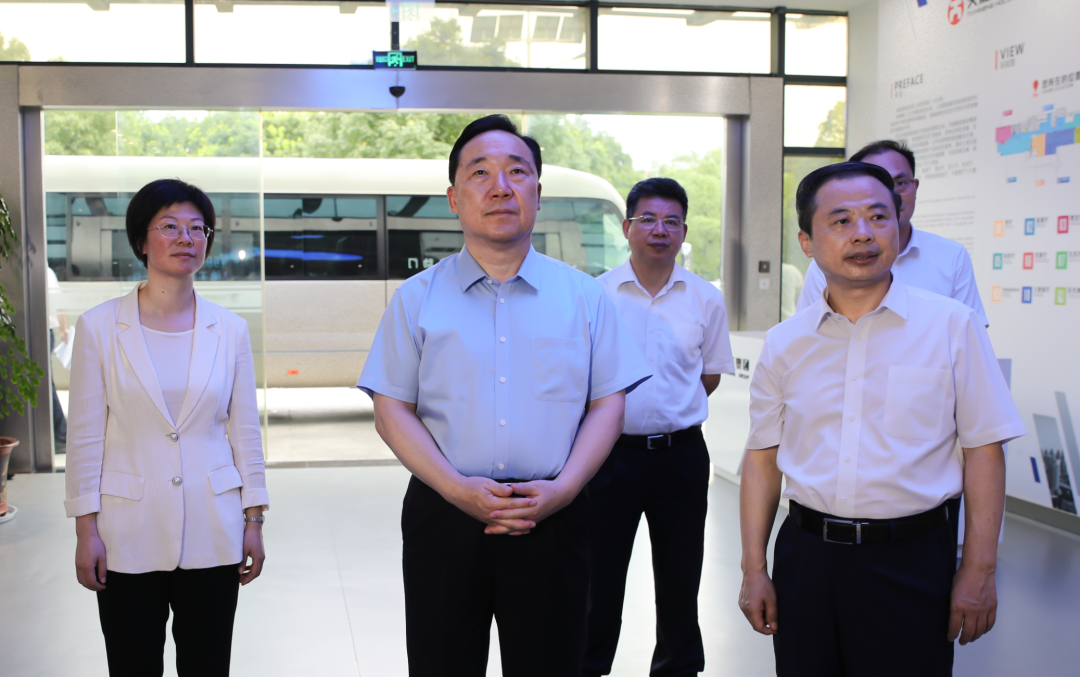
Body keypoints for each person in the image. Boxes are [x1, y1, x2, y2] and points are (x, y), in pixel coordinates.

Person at [358, 114, 651, 677]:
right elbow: (391, 408)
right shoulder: (416, 299)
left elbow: (608, 404)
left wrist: (564, 490)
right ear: (454, 198)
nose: (500, 187)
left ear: (538, 193)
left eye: (517, 172)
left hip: (554, 515)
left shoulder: (583, 297)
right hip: (444, 514)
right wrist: (456, 488)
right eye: (480, 173)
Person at [738, 162, 1025, 676]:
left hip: (911, 562)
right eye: (841, 221)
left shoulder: (952, 327)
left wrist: (979, 569)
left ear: (898, 225)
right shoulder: (785, 343)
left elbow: (984, 450)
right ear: (807, 242)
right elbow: (762, 458)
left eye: (877, 217)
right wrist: (754, 568)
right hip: (808, 560)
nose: (863, 233)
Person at [64, 179, 269, 677]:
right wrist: (86, 530)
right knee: (132, 665)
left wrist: (254, 520)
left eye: (198, 229)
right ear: (141, 240)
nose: (186, 238)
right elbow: (85, 438)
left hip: (213, 529)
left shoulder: (231, 329)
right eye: (170, 227)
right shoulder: (99, 327)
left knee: (208, 665)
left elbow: (245, 432)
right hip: (127, 533)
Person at [585, 178, 734, 677]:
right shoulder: (596, 295)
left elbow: (708, 376)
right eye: (647, 219)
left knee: (680, 579)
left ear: (684, 231)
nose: (659, 230)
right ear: (626, 227)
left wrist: (668, 410)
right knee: (598, 578)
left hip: (681, 459)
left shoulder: (705, 298)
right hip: (608, 458)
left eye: (671, 221)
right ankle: (588, 666)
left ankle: (677, 668)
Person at [795, 140, 988, 327]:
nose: (892, 193)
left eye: (900, 183)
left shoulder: (952, 256)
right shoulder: (827, 264)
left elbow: (970, 329)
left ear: (915, 187)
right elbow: (809, 330)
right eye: (876, 184)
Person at [47, 265, 69, 450]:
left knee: (46, 384)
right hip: (45, 331)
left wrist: (64, 329)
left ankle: (61, 434)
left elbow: (59, 304)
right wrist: (63, 329)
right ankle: (60, 434)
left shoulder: (45, 272)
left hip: (43, 330)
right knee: (46, 383)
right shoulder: (47, 272)